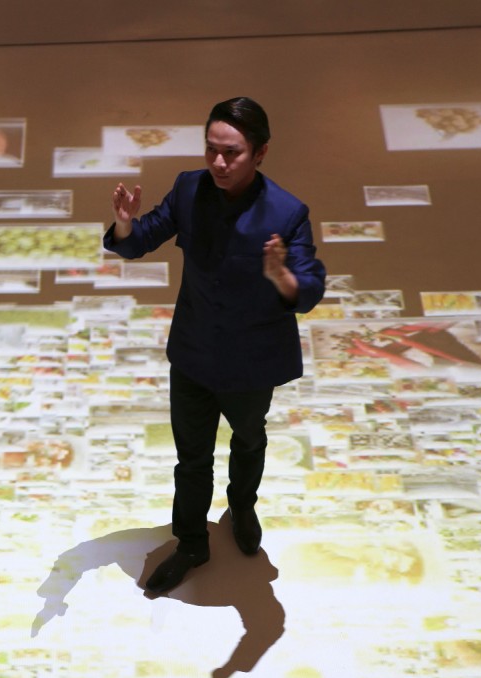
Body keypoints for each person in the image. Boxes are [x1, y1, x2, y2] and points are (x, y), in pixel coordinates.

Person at [104, 96, 326, 593]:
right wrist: (125, 223)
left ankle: (242, 507)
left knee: (248, 440)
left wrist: (282, 276)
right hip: (194, 352)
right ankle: (191, 543)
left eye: (232, 153)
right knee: (191, 459)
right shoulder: (189, 187)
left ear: (260, 153)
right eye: (212, 150)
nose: (219, 163)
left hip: (252, 361)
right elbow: (141, 239)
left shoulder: (287, 212)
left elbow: (309, 287)